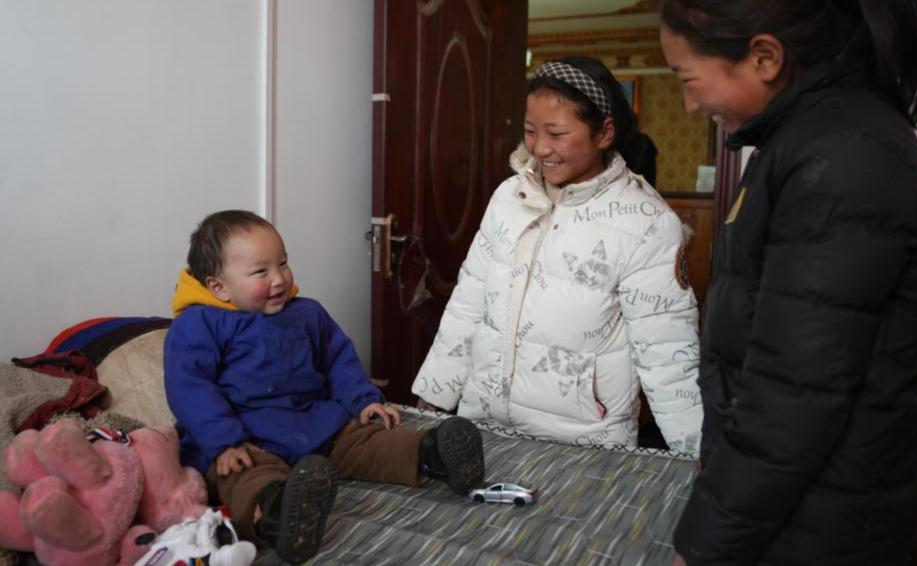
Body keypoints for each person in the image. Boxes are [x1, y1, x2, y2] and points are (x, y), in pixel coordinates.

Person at [657, 1, 917, 564]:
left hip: (821, 520)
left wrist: (706, 543)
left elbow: (792, 398)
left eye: (689, 80)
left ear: (765, 57)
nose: (690, 104)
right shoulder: (803, 141)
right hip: (797, 499)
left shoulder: (842, 159)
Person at [411, 55, 702, 457]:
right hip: (484, 422)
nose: (540, 148)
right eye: (531, 131)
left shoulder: (647, 223)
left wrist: (695, 451)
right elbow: (468, 304)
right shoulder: (508, 198)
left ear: (605, 133)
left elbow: (667, 353)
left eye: (557, 133)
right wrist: (435, 394)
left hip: (583, 440)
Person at [164, 210, 485, 564]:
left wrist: (363, 400)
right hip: (246, 438)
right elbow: (189, 387)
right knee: (243, 477)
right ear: (218, 287)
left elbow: (337, 360)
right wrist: (224, 441)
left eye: (283, 264)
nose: (279, 279)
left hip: (312, 422)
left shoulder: (306, 313)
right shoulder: (199, 324)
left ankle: (432, 454)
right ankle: (277, 514)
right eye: (261, 271)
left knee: (363, 438)